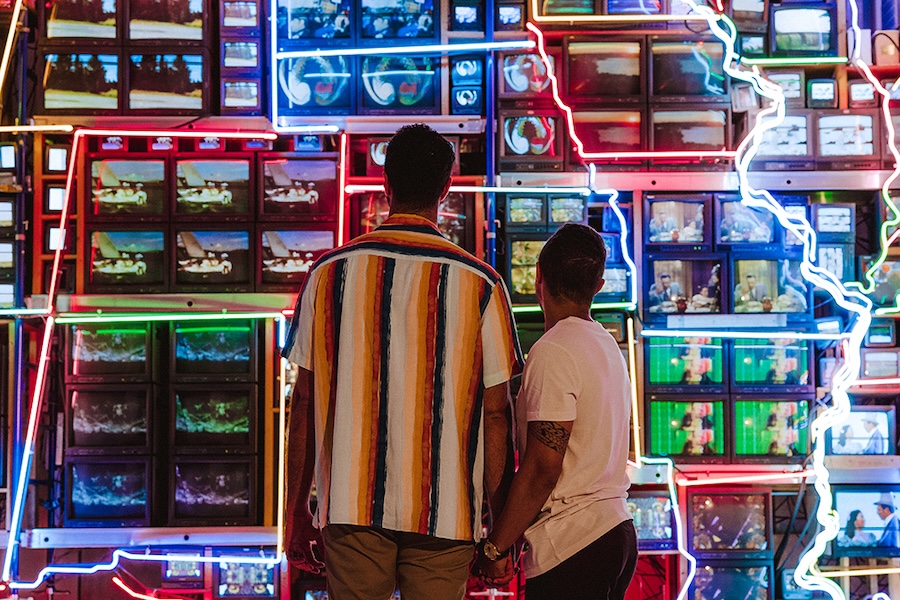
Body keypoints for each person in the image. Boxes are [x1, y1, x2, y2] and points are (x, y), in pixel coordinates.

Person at [282, 124, 523, 599]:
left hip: (350, 508)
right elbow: (497, 414)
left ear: (385, 185)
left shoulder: (328, 274)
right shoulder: (483, 285)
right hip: (447, 512)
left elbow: (304, 404)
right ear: (447, 189)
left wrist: (295, 513)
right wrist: (500, 536)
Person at [473, 224, 636, 600]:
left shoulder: (553, 350)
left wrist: (496, 545)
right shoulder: (607, 345)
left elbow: (543, 468)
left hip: (574, 542)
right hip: (616, 530)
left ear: (537, 278)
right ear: (598, 287)